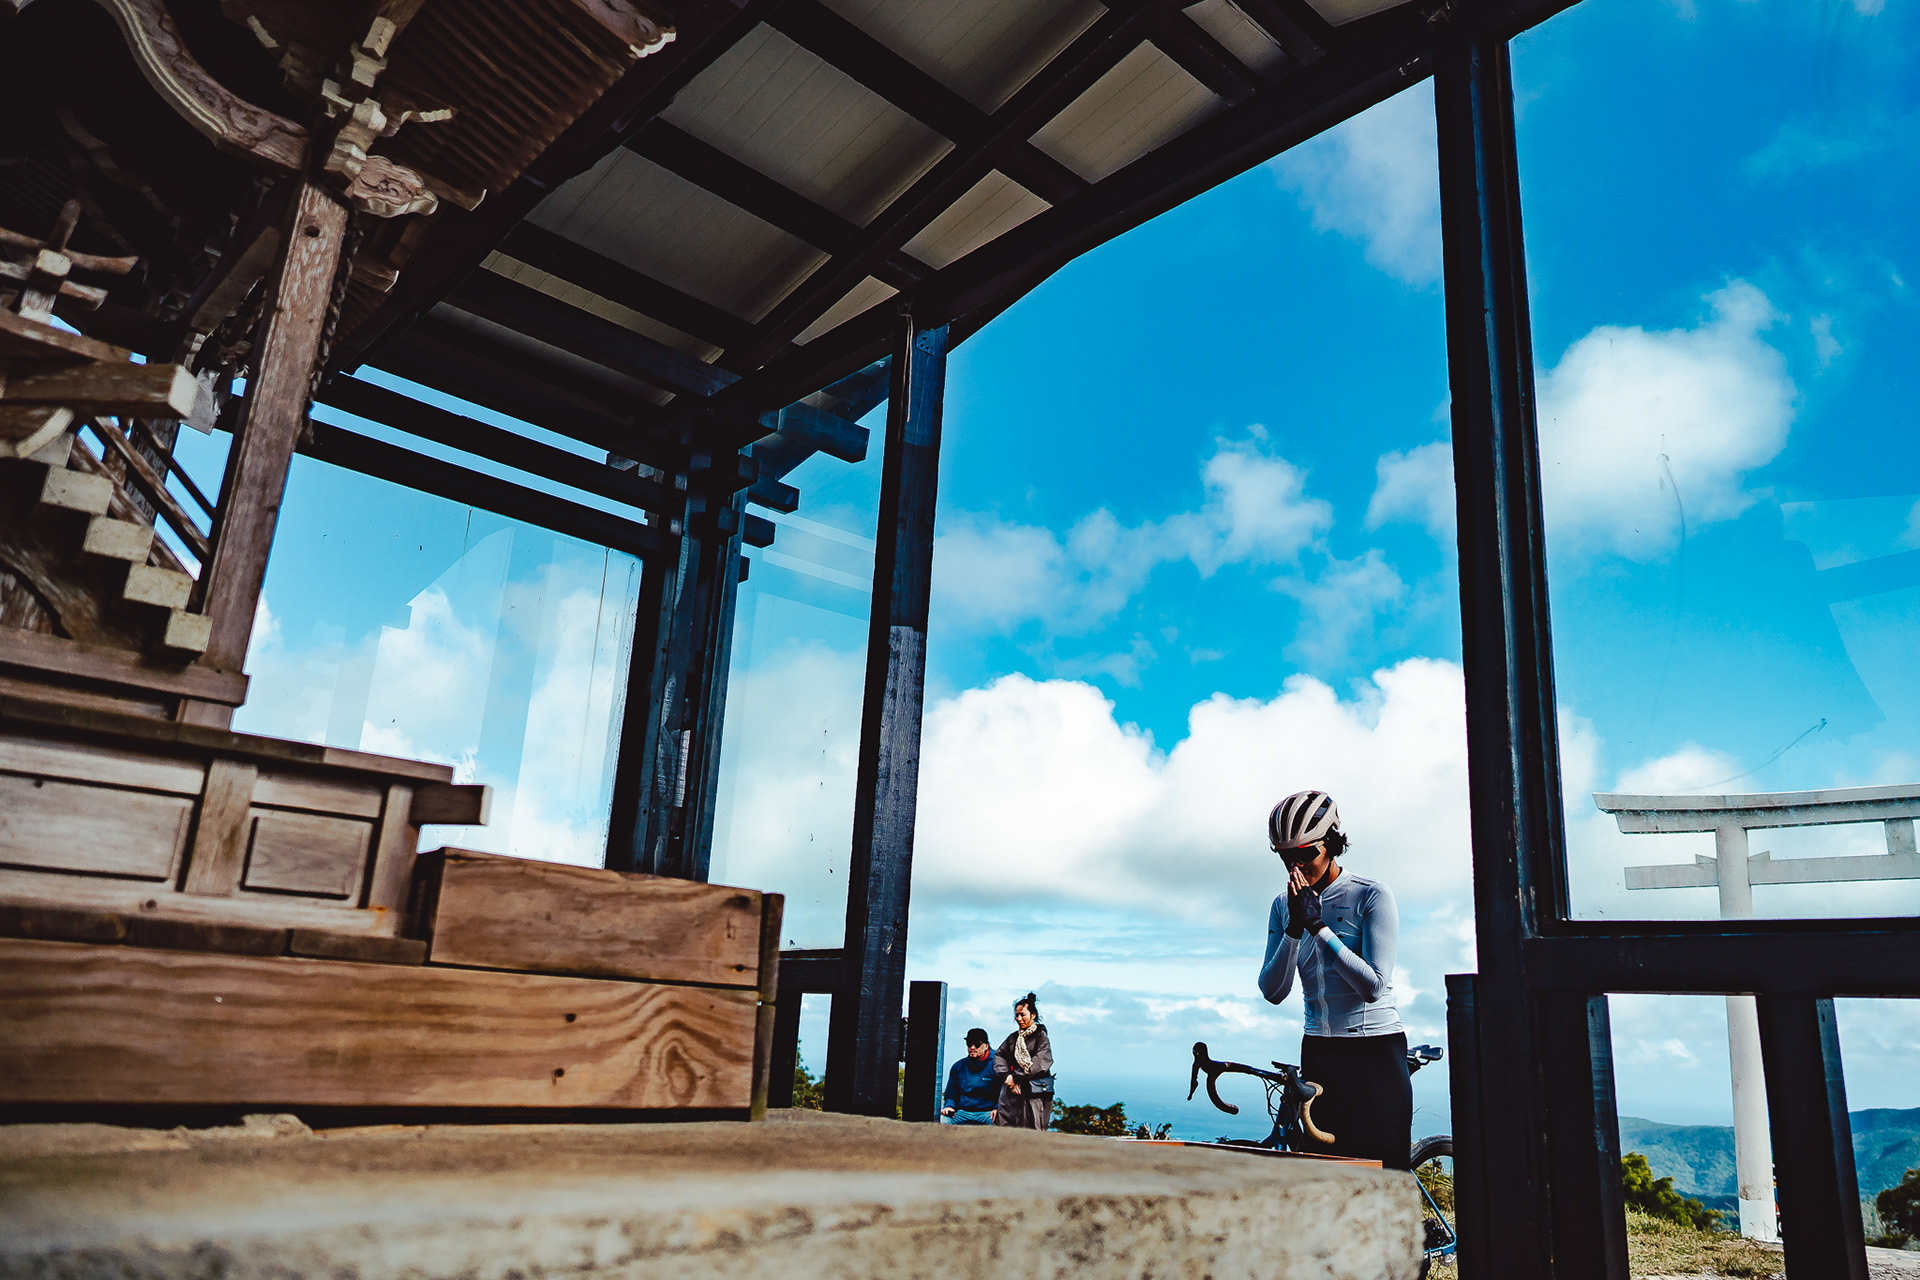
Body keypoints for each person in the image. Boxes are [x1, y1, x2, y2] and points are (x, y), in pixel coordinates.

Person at [1256, 789, 1411, 1170]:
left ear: (1332, 844)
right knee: (1326, 1176)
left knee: (1385, 1177)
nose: (1296, 866)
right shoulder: (1282, 906)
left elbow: (1373, 987)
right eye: (1286, 857)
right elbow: (1273, 991)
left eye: (1305, 853)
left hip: (1375, 1053)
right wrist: (1295, 928)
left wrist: (1318, 927)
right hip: (1320, 1051)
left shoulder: (1371, 895)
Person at [993, 992, 1054, 1130]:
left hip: (1035, 1093)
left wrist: (1015, 1077)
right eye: (1017, 1015)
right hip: (1012, 1094)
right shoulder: (1013, 1038)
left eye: (1022, 1015)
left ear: (1033, 1015)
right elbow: (1000, 1056)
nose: (1019, 1019)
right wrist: (1007, 1076)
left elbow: (1040, 1063)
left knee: (1033, 1131)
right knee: (1008, 1130)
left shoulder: (1041, 1037)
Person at [941, 1028, 999, 1125]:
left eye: (977, 1044)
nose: (972, 1047)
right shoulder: (958, 1066)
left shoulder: (997, 1065)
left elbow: (1003, 1093)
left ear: (986, 1046)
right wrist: (949, 1106)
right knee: (943, 1120)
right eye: (969, 1043)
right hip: (962, 1112)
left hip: (987, 1113)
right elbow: (951, 1094)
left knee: (1000, 1121)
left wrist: (998, 1108)